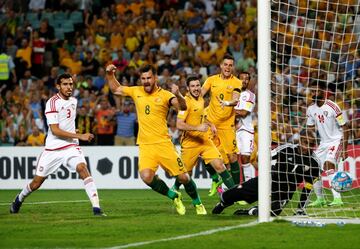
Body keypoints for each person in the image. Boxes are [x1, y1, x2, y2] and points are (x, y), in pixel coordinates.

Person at [106, 64, 206, 215]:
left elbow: (183, 107)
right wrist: (109, 74)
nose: (146, 81)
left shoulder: (166, 95)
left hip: (164, 144)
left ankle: (198, 203)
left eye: (149, 78)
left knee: (184, 177)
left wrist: (178, 94)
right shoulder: (136, 91)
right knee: (146, 177)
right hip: (146, 146)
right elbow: (116, 89)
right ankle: (173, 195)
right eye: (143, 78)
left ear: (155, 78)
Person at [10, 73, 105, 216]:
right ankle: (19, 198)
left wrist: (74, 132)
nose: (69, 87)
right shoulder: (52, 102)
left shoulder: (74, 101)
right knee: (37, 183)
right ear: (58, 86)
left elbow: (67, 124)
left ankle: (97, 208)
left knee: (82, 168)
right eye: (65, 84)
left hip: (71, 146)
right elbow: (55, 130)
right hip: (53, 149)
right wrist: (80, 135)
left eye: (71, 84)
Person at [212, 130, 321, 216]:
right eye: (305, 142)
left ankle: (251, 211)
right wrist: (265, 160)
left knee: (272, 212)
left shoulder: (314, 163)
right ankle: (223, 203)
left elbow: (307, 188)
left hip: (285, 192)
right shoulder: (286, 149)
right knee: (235, 193)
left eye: (311, 144)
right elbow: (264, 157)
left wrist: (300, 209)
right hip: (268, 180)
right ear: (300, 140)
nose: (307, 147)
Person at [171, 75, 235, 193]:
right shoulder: (185, 103)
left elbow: (200, 118)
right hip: (190, 143)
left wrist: (210, 124)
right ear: (188, 88)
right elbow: (179, 125)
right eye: (192, 86)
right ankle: (175, 187)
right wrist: (197, 128)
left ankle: (236, 194)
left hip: (205, 141)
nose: (196, 88)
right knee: (186, 174)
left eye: (197, 85)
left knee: (220, 166)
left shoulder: (200, 98)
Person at [201, 54, 242, 187]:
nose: (228, 67)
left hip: (227, 125)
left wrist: (227, 102)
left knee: (232, 157)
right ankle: (214, 179)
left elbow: (235, 99)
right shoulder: (211, 80)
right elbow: (200, 94)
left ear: (233, 67)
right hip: (211, 123)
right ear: (221, 65)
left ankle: (237, 190)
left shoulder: (237, 82)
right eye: (225, 64)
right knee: (204, 152)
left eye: (230, 65)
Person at [306, 80, 349, 207]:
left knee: (328, 165)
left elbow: (345, 127)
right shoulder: (310, 109)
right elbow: (310, 128)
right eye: (312, 91)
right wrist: (310, 143)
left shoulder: (332, 106)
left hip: (336, 141)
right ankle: (320, 199)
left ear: (323, 92)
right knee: (312, 169)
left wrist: (345, 149)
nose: (314, 93)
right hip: (323, 143)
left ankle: (337, 199)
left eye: (316, 90)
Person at [235, 72, 256, 182]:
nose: (244, 80)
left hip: (246, 130)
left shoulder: (250, 95)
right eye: (241, 78)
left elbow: (244, 113)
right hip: (231, 130)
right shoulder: (232, 93)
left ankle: (249, 184)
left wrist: (229, 110)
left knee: (245, 158)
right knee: (231, 159)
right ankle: (231, 186)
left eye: (247, 79)